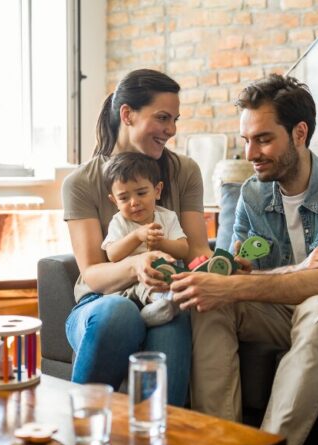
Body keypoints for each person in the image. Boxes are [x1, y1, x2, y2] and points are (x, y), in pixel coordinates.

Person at [170, 74, 318, 445]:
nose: (250, 153)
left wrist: (243, 282)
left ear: (299, 133)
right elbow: (224, 274)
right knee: (210, 304)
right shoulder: (252, 194)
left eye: (264, 139)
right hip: (276, 312)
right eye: (245, 140)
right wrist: (295, 268)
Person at [61, 69, 211, 407]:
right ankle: (81, 426)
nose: (171, 130)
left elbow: (198, 250)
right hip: (99, 303)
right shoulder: (81, 183)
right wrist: (137, 264)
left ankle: (157, 443)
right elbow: (93, 274)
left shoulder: (184, 171)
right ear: (127, 114)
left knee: (172, 317)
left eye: (174, 119)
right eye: (162, 118)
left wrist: (222, 268)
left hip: (162, 294)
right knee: (118, 313)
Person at [101, 151, 189, 327]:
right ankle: (153, 313)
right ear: (114, 201)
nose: (134, 202)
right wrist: (136, 236)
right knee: (148, 289)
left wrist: (161, 243)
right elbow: (112, 254)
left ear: (157, 191)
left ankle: (166, 304)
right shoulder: (119, 222)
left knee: (179, 283)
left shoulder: (168, 217)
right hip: (131, 282)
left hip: (165, 276)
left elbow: (183, 250)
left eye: (141, 193)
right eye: (124, 198)